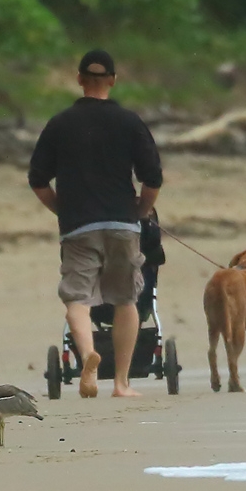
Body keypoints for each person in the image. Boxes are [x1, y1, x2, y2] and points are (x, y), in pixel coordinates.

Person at [28, 49, 163, 398]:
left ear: (79, 80)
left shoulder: (60, 124)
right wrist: (142, 210)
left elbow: (38, 180)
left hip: (78, 225)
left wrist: (62, 210)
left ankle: (89, 355)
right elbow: (153, 178)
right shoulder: (130, 122)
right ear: (113, 81)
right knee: (125, 299)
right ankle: (121, 383)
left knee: (78, 297)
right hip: (122, 222)